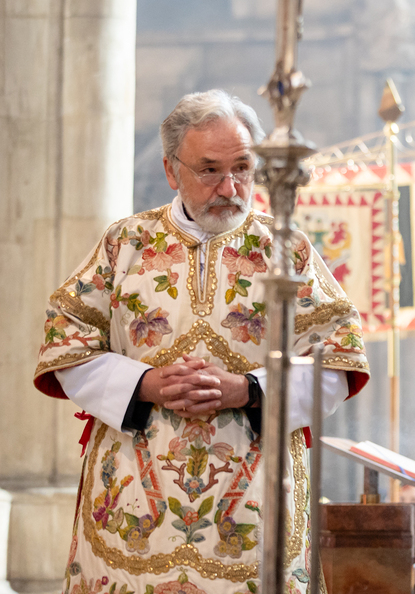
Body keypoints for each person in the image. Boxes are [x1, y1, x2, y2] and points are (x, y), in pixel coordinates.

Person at [33, 90, 369, 594]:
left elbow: (337, 359)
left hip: (252, 501)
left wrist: (249, 389)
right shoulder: (125, 244)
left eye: (242, 169)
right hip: (133, 500)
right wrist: (144, 384)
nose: (229, 187)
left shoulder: (287, 250)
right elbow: (66, 341)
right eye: (210, 170)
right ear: (172, 171)